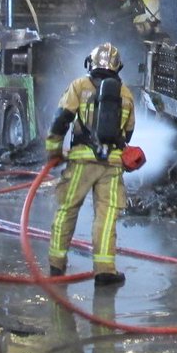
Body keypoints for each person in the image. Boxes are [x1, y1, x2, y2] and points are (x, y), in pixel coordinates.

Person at [46, 42, 136, 287]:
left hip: (81, 162)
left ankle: (56, 266)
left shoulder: (80, 86)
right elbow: (128, 135)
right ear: (118, 68)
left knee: (67, 209)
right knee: (106, 218)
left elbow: (61, 120)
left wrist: (54, 150)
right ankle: (105, 269)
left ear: (91, 64)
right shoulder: (126, 94)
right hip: (112, 165)